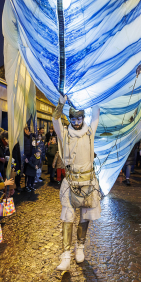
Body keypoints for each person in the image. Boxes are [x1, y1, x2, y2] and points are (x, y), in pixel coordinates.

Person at [53, 95, 101, 271]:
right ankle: (65, 255)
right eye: (73, 118)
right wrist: (61, 103)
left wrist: (95, 92)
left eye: (79, 118)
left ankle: (80, 247)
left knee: (85, 216)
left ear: (83, 118)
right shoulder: (64, 134)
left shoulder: (90, 132)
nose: (76, 121)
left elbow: (96, 114)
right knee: (67, 216)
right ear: (70, 119)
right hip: (71, 182)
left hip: (88, 182)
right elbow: (55, 119)